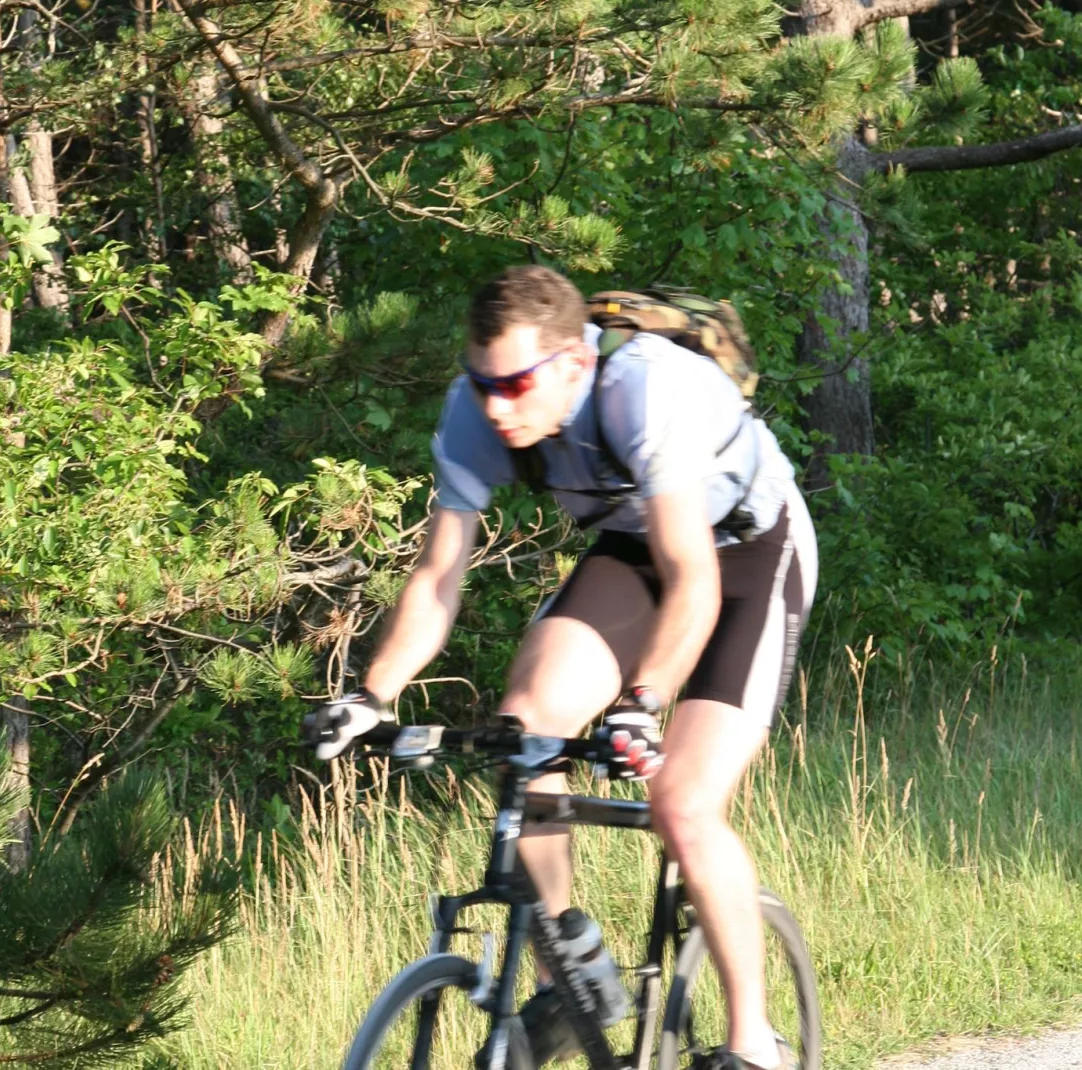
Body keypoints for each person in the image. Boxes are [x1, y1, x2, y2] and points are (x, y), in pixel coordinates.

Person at [311, 266, 816, 1070]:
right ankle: (571, 973)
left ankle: (756, 1042)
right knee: (528, 729)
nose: (496, 406)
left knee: (681, 801)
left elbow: (693, 577)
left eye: (514, 384)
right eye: (482, 385)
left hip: (748, 550)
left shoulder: (644, 392)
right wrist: (373, 695)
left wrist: (639, 705)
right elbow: (438, 577)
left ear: (575, 365)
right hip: (632, 547)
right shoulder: (477, 412)